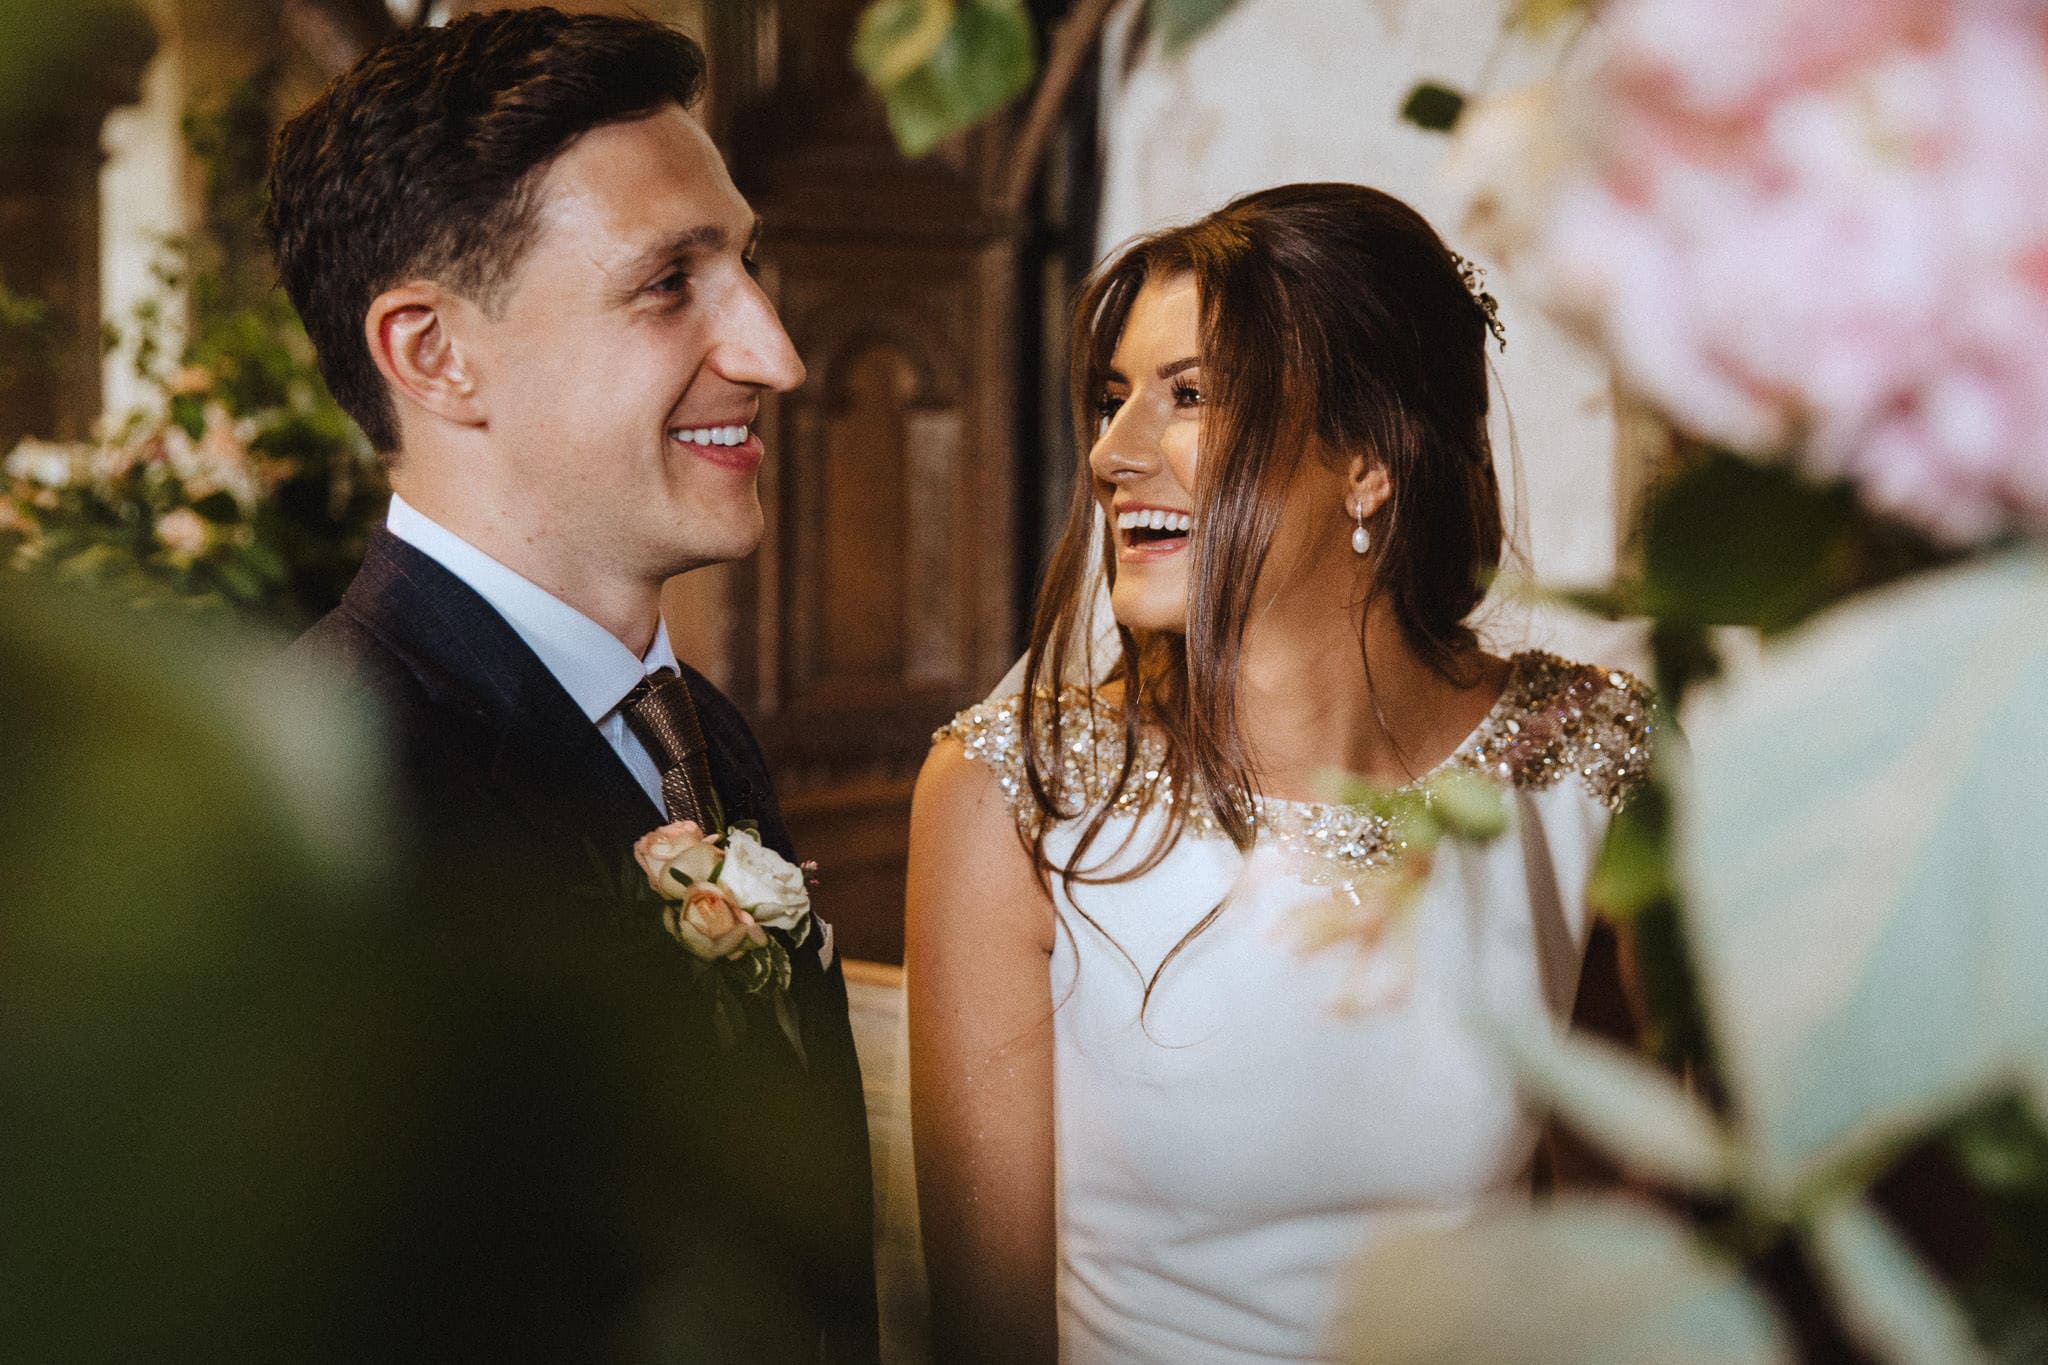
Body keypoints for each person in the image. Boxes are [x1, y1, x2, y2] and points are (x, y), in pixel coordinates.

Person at [906, 183, 1655, 1362]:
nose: (1110, 453)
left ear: (1364, 459)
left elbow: (1636, 1258)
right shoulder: (1010, 795)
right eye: (1111, 402)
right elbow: (986, 1338)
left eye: (1187, 397)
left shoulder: (1577, 763)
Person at [266, 9, 878, 1361]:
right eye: (670, 283)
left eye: (747, 268)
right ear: (435, 355)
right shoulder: (321, 824)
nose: (775, 353)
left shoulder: (695, 733)